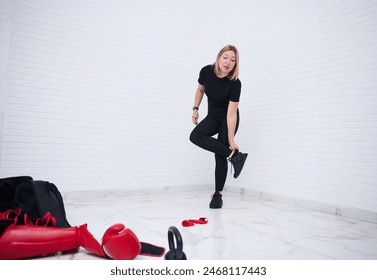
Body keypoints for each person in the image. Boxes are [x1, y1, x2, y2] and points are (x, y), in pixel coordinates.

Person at [189, 45, 248, 209]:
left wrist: (231, 139)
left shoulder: (235, 84)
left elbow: (231, 114)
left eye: (233, 60)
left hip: (227, 119)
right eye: (226, 57)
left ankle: (217, 195)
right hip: (213, 116)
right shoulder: (206, 72)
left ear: (236, 64)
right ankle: (235, 156)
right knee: (195, 136)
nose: (228, 62)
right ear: (219, 56)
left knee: (219, 154)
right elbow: (200, 89)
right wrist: (195, 109)